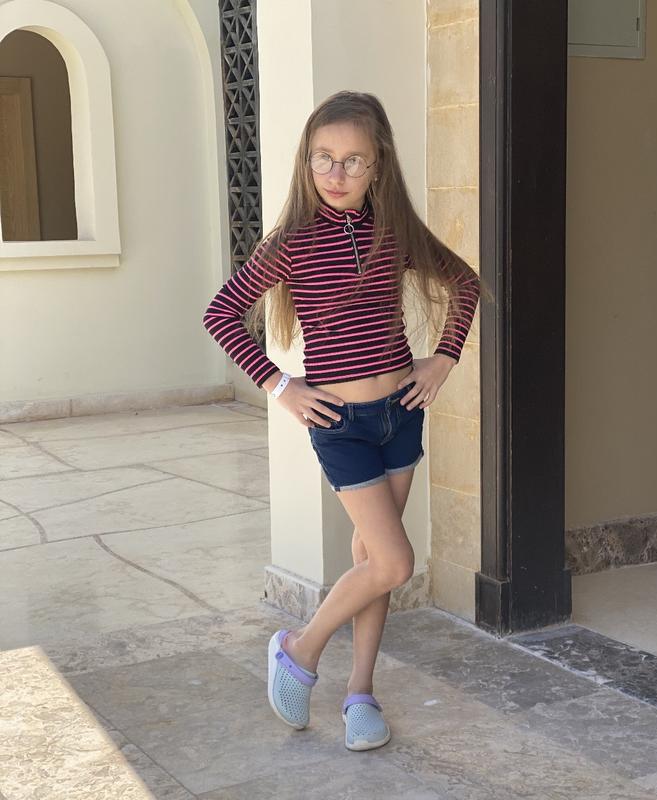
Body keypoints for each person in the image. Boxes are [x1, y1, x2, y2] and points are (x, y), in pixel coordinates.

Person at [202, 90, 480, 751]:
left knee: (372, 560)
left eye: (353, 160)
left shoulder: (394, 232)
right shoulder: (291, 243)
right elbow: (220, 314)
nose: (335, 173)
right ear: (306, 161)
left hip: (400, 415)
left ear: (378, 165)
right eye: (323, 157)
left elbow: (465, 284)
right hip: (341, 424)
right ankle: (299, 649)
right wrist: (280, 385)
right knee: (394, 561)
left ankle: (360, 693)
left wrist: (443, 358)